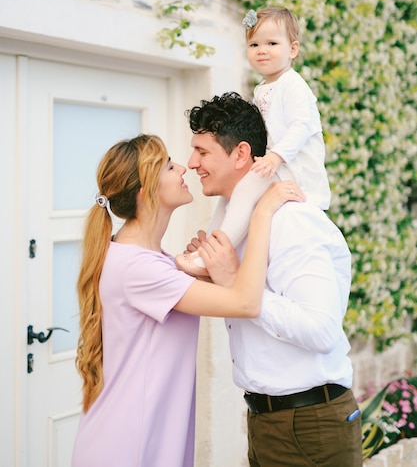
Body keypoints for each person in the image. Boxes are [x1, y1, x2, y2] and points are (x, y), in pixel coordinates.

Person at [71, 133, 303, 467]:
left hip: (139, 435)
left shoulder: (148, 260)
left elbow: (224, 293)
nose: (183, 167)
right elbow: (246, 303)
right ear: (145, 191)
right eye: (168, 165)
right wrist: (261, 211)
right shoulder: (139, 268)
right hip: (130, 445)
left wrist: (199, 270)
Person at [179, 92, 362, 467]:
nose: (191, 162)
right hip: (267, 420)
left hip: (310, 424)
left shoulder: (290, 222)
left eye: (202, 150)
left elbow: (321, 330)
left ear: (241, 154)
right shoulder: (234, 224)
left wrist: (234, 281)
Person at [192, 7, 330, 269]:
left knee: (242, 190)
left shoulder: (293, 85)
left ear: (292, 49)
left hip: (292, 166)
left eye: (271, 43)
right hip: (271, 164)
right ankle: (209, 246)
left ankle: (215, 254)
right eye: (254, 44)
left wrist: (276, 157)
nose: (261, 50)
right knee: (230, 194)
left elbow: (301, 126)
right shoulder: (262, 88)